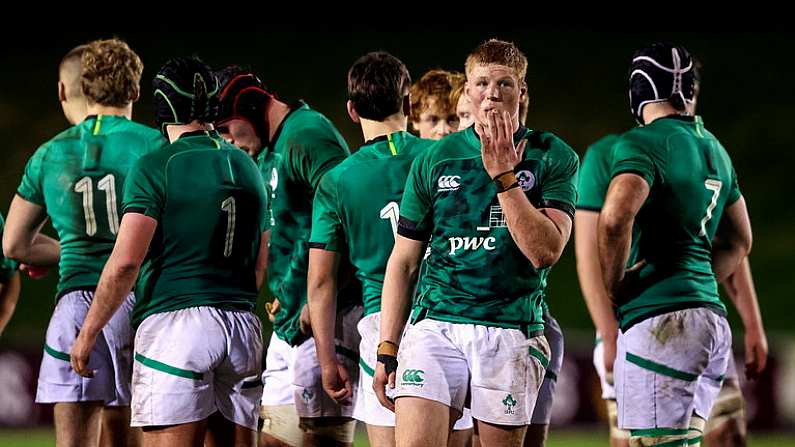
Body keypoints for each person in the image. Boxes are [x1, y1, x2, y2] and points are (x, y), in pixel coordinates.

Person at [374, 38, 578, 447]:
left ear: (522, 94)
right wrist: (386, 348)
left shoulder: (553, 156)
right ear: (467, 91)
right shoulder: (435, 159)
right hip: (437, 324)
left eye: (504, 84)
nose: (492, 94)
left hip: (510, 328)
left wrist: (504, 175)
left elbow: (545, 252)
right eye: (482, 83)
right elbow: (404, 262)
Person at [71, 56, 269, 447]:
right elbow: (261, 260)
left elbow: (126, 261)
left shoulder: (157, 165)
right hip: (242, 327)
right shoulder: (247, 165)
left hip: (177, 328)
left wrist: (89, 331)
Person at [3, 38, 164, 447]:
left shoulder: (49, 153)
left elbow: (14, 245)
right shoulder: (156, 147)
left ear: (76, 89)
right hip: (139, 302)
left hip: (74, 306)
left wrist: (70, 250)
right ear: (135, 90)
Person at [598, 43, 755, 447]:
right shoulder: (715, 148)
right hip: (710, 320)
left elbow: (615, 217)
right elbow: (741, 240)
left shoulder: (643, 143)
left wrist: (617, 286)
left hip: (661, 321)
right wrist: (695, 278)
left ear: (637, 90)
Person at [215, 67, 360, 447]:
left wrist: (314, 298)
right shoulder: (269, 150)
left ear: (250, 108)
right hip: (291, 324)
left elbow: (342, 216)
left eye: (228, 127)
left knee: (319, 442)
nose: (227, 140)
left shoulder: (308, 135)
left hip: (327, 317)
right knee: (274, 442)